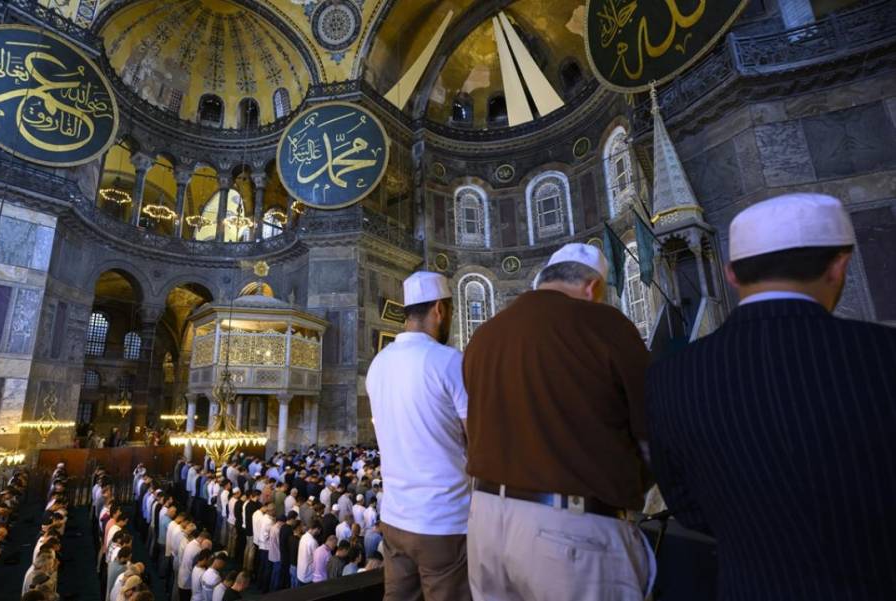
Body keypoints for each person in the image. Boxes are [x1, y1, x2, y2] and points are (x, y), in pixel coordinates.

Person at [648, 193, 896, 600]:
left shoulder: (672, 377)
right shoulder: (882, 356)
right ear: (839, 265)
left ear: (731, 274)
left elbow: (687, 506)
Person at [464, 243, 652, 601]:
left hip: (484, 524)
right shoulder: (603, 323)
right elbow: (651, 431)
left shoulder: (484, 335)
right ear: (593, 287)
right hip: (568, 531)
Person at [366, 271, 471, 600]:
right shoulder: (449, 361)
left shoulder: (378, 364)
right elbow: (479, 441)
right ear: (440, 310)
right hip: (443, 522)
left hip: (396, 520)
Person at [295, 521, 320, 586]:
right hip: (308, 575)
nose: (319, 532)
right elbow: (317, 559)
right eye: (319, 530)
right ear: (316, 529)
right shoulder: (313, 542)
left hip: (300, 572)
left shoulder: (303, 537)